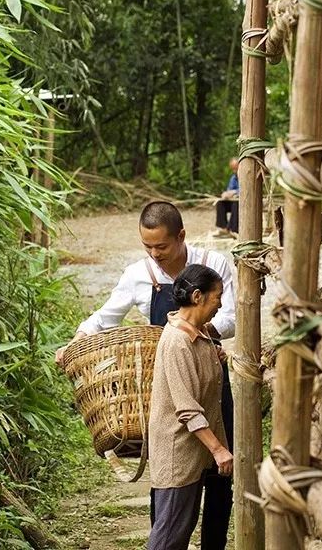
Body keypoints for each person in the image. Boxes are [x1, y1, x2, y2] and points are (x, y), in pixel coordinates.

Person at [56, 201, 235, 550]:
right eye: (147, 246)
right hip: (168, 382)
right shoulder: (138, 275)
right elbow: (105, 317)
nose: (154, 254)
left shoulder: (214, 266)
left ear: (181, 236)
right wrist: (75, 343)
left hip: (211, 377)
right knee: (171, 474)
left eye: (162, 246)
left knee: (218, 480)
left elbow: (230, 319)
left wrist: (197, 330)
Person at [147, 264, 231, 550]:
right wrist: (218, 449)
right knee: (167, 541)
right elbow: (187, 409)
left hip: (191, 456)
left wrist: (215, 357)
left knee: (177, 537)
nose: (220, 303)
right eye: (217, 296)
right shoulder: (177, 342)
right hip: (177, 457)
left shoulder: (199, 333)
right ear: (198, 296)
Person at [214, 158, 239, 237]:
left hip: (243, 202)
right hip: (234, 201)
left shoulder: (245, 175)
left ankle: (233, 229)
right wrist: (226, 194)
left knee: (236, 203)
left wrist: (235, 192)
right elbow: (229, 189)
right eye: (233, 169)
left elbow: (246, 188)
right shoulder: (233, 178)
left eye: (236, 168)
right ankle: (223, 228)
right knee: (220, 202)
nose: (235, 171)